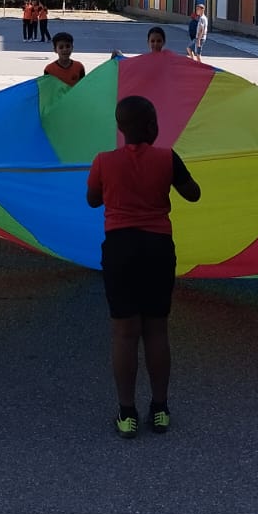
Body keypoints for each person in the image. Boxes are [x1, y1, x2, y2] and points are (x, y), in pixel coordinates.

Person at [87, 95, 202, 439]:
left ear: (120, 128)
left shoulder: (104, 160)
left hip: (120, 248)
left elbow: (93, 200)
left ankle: (127, 413)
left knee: (124, 333)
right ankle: (160, 408)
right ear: (153, 126)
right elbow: (193, 193)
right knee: (156, 330)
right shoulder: (168, 157)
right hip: (157, 248)